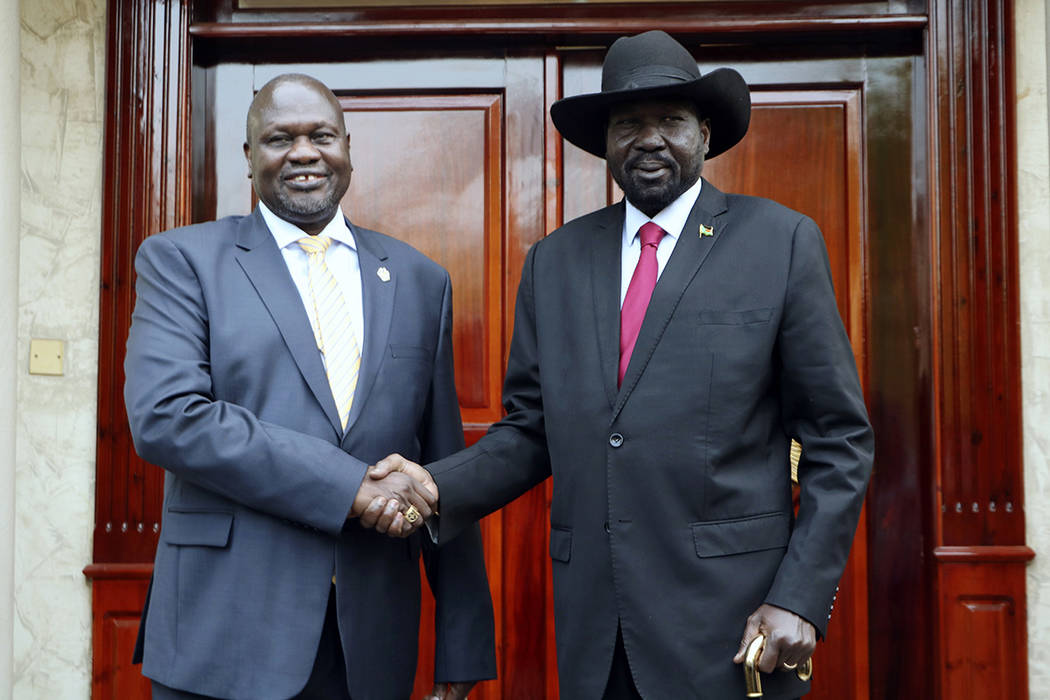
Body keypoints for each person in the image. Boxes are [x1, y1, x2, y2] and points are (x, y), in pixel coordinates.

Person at [369, 30, 874, 699]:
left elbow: (839, 441)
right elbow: (531, 429)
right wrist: (433, 487)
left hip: (735, 625)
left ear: (704, 131)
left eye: (670, 120)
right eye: (628, 124)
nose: (649, 139)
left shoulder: (779, 242)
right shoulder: (555, 261)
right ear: (605, 143)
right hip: (596, 628)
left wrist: (801, 596)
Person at [124, 73, 496, 700]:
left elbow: (440, 461)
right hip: (225, 633)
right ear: (249, 158)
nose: (303, 152)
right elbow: (168, 417)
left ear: (347, 147)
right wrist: (350, 486)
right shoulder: (181, 261)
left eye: (320, 135)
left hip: (369, 644)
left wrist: (460, 643)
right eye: (279, 138)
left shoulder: (418, 279)